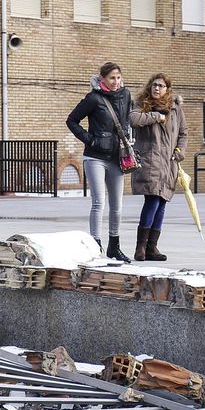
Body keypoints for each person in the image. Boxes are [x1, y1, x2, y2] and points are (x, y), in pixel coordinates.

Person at [66, 61, 133, 262]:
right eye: (112, 78)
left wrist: (129, 137)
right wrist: (91, 139)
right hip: (95, 157)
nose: (116, 82)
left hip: (117, 156)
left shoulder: (126, 95)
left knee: (117, 205)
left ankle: (114, 246)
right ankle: (95, 246)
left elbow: (128, 119)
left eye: (118, 77)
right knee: (99, 203)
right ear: (102, 79)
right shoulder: (93, 98)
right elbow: (71, 120)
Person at [129, 73, 187, 262]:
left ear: (167, 89)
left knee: (162, 203)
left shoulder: (176, 109)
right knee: (152, 200)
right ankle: (140, 247)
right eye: (154, 85)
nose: (156, 88)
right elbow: (134, 120)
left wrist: (180, 150)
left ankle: (152, 247)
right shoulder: (141, 105)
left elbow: (183, 133)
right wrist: (156, 116)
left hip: (169, 162)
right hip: (150, 161)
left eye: (161, 86)